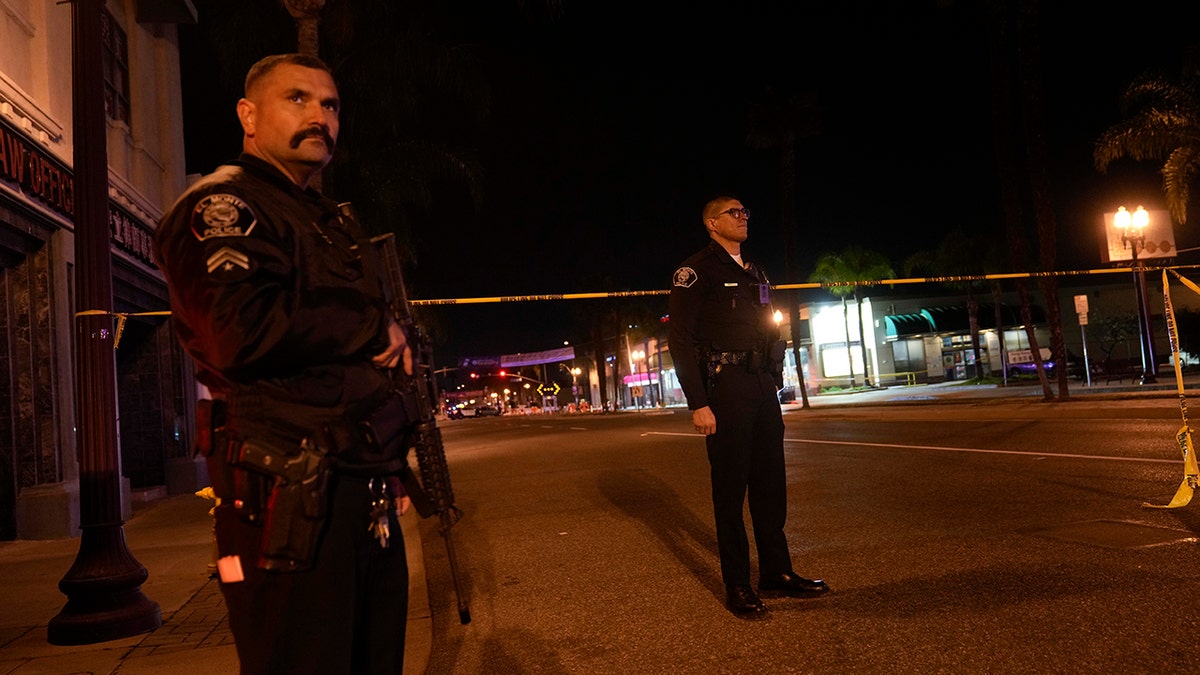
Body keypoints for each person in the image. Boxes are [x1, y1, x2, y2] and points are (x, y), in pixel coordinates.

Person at [154, 53, 415, 673]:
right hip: (287, 494)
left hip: (360, 484)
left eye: (329, 105)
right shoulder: (224, 208)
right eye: (297, 99)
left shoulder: (323, 217)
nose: (319, 116)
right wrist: (371, 323)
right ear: (248, 115)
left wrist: (389, 460)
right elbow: (237, 332)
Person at [667, 195, 828, 616]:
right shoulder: (695, 271)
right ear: (711, 223)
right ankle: (737, 585)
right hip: (726, 388)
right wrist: (697, 403)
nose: (742, 218)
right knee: (730, 491)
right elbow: (680, 341)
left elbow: (768, 325)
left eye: (745, 213)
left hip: (761, 385)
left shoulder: (756, 270)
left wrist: (776, 375)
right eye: (733, 214)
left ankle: (777, 571)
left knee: (771, 485)